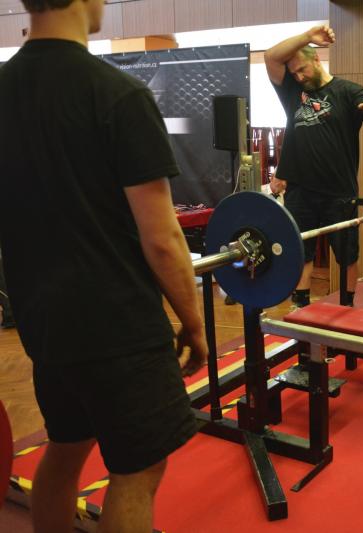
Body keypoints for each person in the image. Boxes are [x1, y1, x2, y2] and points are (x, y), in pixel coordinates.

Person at [0, 1, 209, 531]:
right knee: (138, 471)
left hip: (44, 326)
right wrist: (194, 321)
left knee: (65, 447)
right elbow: (162, 239)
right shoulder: (118, 94)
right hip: (120, 328)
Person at [264, 25, 363, 309]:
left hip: (339, 192)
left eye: (302, 69)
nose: (299, 76)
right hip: (300, 190)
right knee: (301, 251)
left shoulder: (347, 91)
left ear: (317, 60)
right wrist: (307, 36)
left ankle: (347, 306)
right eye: (294, 72)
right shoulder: (293, 91)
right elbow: (271, 56)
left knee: (347, 255)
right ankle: (301, 305)